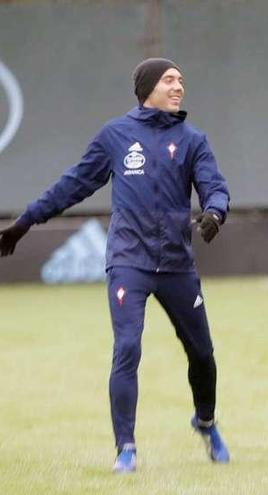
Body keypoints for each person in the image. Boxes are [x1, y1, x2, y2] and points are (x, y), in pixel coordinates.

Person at [0, 58, 231, 473]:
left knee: (203, 354)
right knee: (127, 348)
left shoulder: (193, 139)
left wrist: (214, 212)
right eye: (169, 80)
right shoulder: (116, 136)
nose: (179, 86)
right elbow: (72, 185)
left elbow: (214, 186)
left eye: (181, 79)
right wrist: (24, 222)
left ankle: (206, 422)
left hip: (177, 265)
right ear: (148, 88)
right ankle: (126, 448)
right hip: (129, 262)